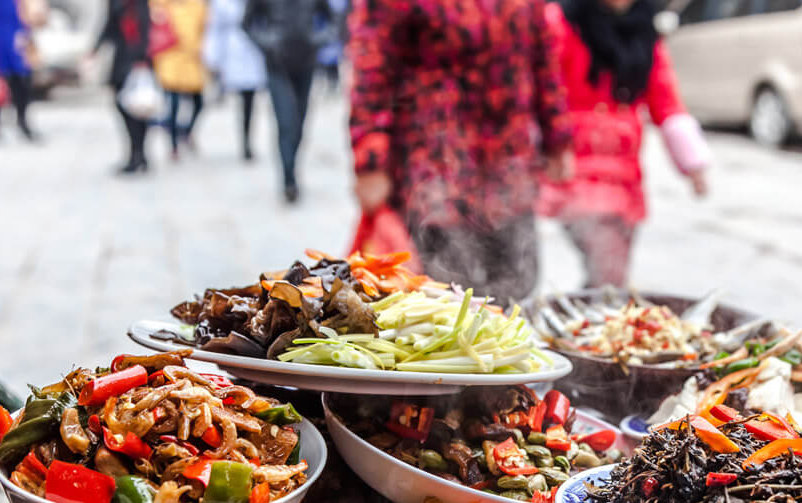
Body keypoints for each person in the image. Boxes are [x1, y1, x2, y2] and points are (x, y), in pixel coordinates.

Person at [347, 0, 573, 306]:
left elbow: (543, 57)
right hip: (434, 170)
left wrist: (557, 136)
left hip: (509, 166)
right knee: (441, 294)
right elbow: (372, 71)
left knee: (515, 283)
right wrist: (371, 162)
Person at [539, 0, 709, 289]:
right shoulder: (562, 21)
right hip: (573, 167)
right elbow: (544, 88)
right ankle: (596, 321)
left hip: (625, 178)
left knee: (611, 274)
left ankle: (596, 323)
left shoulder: (644, 28)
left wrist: (694, 165)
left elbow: (665, 100)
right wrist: (550, 146)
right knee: (607, 268)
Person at [242, 0, 335, 203]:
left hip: (305, 63)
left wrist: (317, 39)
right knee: (286, 122)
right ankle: (289, 180)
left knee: (300, 123)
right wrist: (267, 43)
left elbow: (332, 22)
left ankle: (293, 167)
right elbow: (247, 24)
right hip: (277, 66)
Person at [89, 0, 153, 174]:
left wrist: (142, 57)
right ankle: (135, 153)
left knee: (140, 108)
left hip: (140, 59)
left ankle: (140, 154)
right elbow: (110, 24)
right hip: (122, 58)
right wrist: (95, 48)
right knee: (124, 106)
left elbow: (146, 25)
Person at [202, 0, 266, 160]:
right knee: (239, 98)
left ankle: (247, 141)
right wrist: (212, 57)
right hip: (231, 51)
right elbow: (214, 28)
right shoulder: (223, 4)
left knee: (249, 100)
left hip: (252, 48)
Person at [152, 0, 208, 159]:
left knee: (199, 102)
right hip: (170, 59)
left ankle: (187, 132)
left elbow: (204, 28)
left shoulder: (196, 5)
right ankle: (173, 145)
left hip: (191, 59)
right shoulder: (161, 5)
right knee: (173, 104)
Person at [0, 0, 38, 141]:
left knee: (22, 82)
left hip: (13, 42)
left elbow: (20, 16)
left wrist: (24, 33)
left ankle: (22, 121)